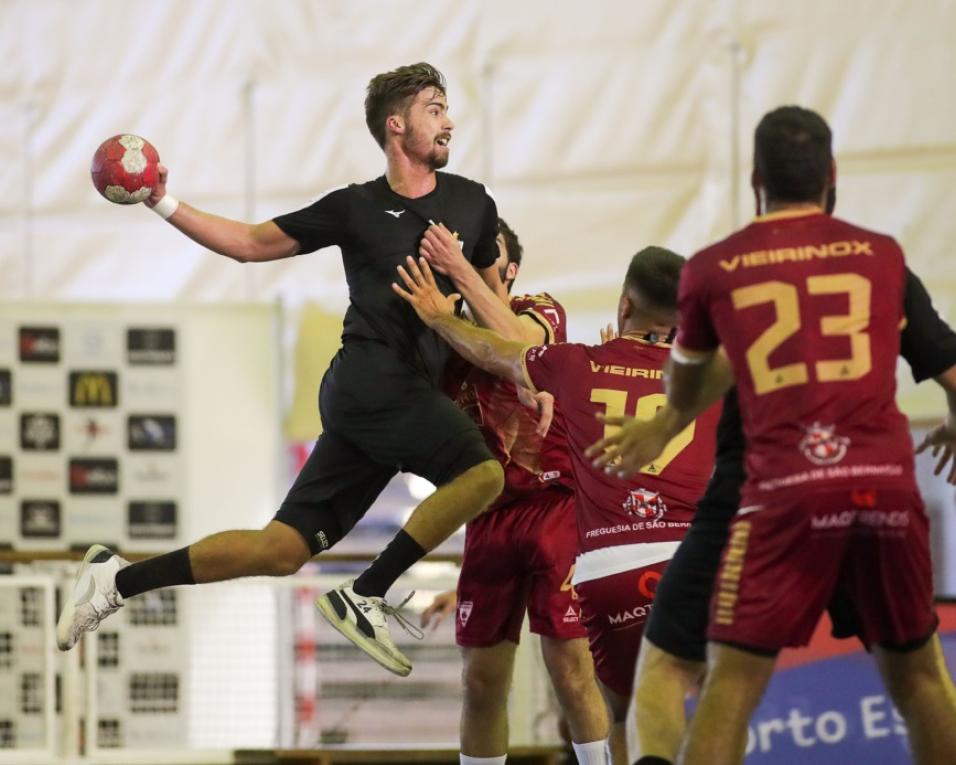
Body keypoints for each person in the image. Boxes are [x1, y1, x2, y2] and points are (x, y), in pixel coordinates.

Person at [57, 62, 513, 677]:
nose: (449, 120)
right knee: (482, 474)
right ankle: (367, 592)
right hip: (371, 382)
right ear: (395, 125)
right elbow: (249, 243)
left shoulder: (473, 203)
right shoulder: (354, 207)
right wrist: (159, 199)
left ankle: (115, 581)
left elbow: (498, 313)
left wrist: (469, 287)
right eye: (435, 108)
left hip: (393, 402)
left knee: (280, 551)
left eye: (447, 108)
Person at [587, 204, 956, 765]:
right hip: (873, 484)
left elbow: (704, 372)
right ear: (829, 183)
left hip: (766, 492)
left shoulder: (730, 267)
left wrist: (663, 423)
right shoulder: (879, 260)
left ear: (759, 188)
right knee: (922, 675)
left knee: (701, 676)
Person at [393, 247, 722, 765]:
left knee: (581, 677)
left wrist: (438, 305)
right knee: (488, 682)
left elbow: (503, 348)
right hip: (511, 521)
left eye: (485, 257)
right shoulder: (708, 381)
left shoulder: (554, 330)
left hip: (570, 523)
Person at [419, 218, 610, 765]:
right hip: (489, 520)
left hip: (556, 510)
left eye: (486, 252)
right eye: (465, 252)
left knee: (571, 671)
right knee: (480, 684)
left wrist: (457, 271)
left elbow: (516, 347)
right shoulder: (443, 333)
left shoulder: (539, 308)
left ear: (511, 269)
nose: (474, 258)